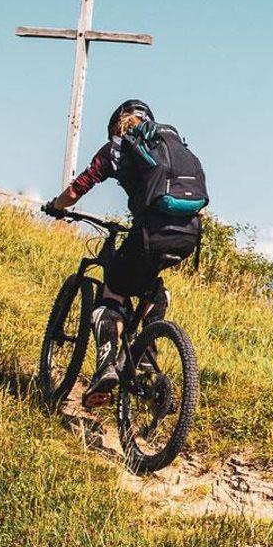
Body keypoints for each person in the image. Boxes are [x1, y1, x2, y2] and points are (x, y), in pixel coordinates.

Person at [43, 99, 209, 406]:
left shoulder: (116, 149)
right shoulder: (171, 146)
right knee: (152, 289)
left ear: (115, 126)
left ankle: (106, 369)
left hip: (150, 233)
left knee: (112, 294)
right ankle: (146, 358)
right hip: (189, 234)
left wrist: (56, 206)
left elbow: (78, 188)